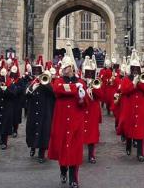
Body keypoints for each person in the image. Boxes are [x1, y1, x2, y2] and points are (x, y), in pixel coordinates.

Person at [48, 46, 86, 188]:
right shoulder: (59, 81)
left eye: (66, 67)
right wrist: (75, 88)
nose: (64, 70)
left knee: (74, 150)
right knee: (63, 148)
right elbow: (58, 89)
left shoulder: (80, 82)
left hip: (76, 119)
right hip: (62, 120)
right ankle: (63, 170)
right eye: (63, 68)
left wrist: (82, 97)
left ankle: (74, 179)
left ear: (71, 67)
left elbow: (84, 102)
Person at [25, 65, 55, 163]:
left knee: (43, 132)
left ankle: (41, 154)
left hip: (44, 112)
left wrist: (44, 82)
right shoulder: (32, 83)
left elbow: (53, 92)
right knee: (32, 130)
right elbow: (26, 95)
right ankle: (33, 147)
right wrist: (32, 87)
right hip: (33, 111)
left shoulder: (48, 85)